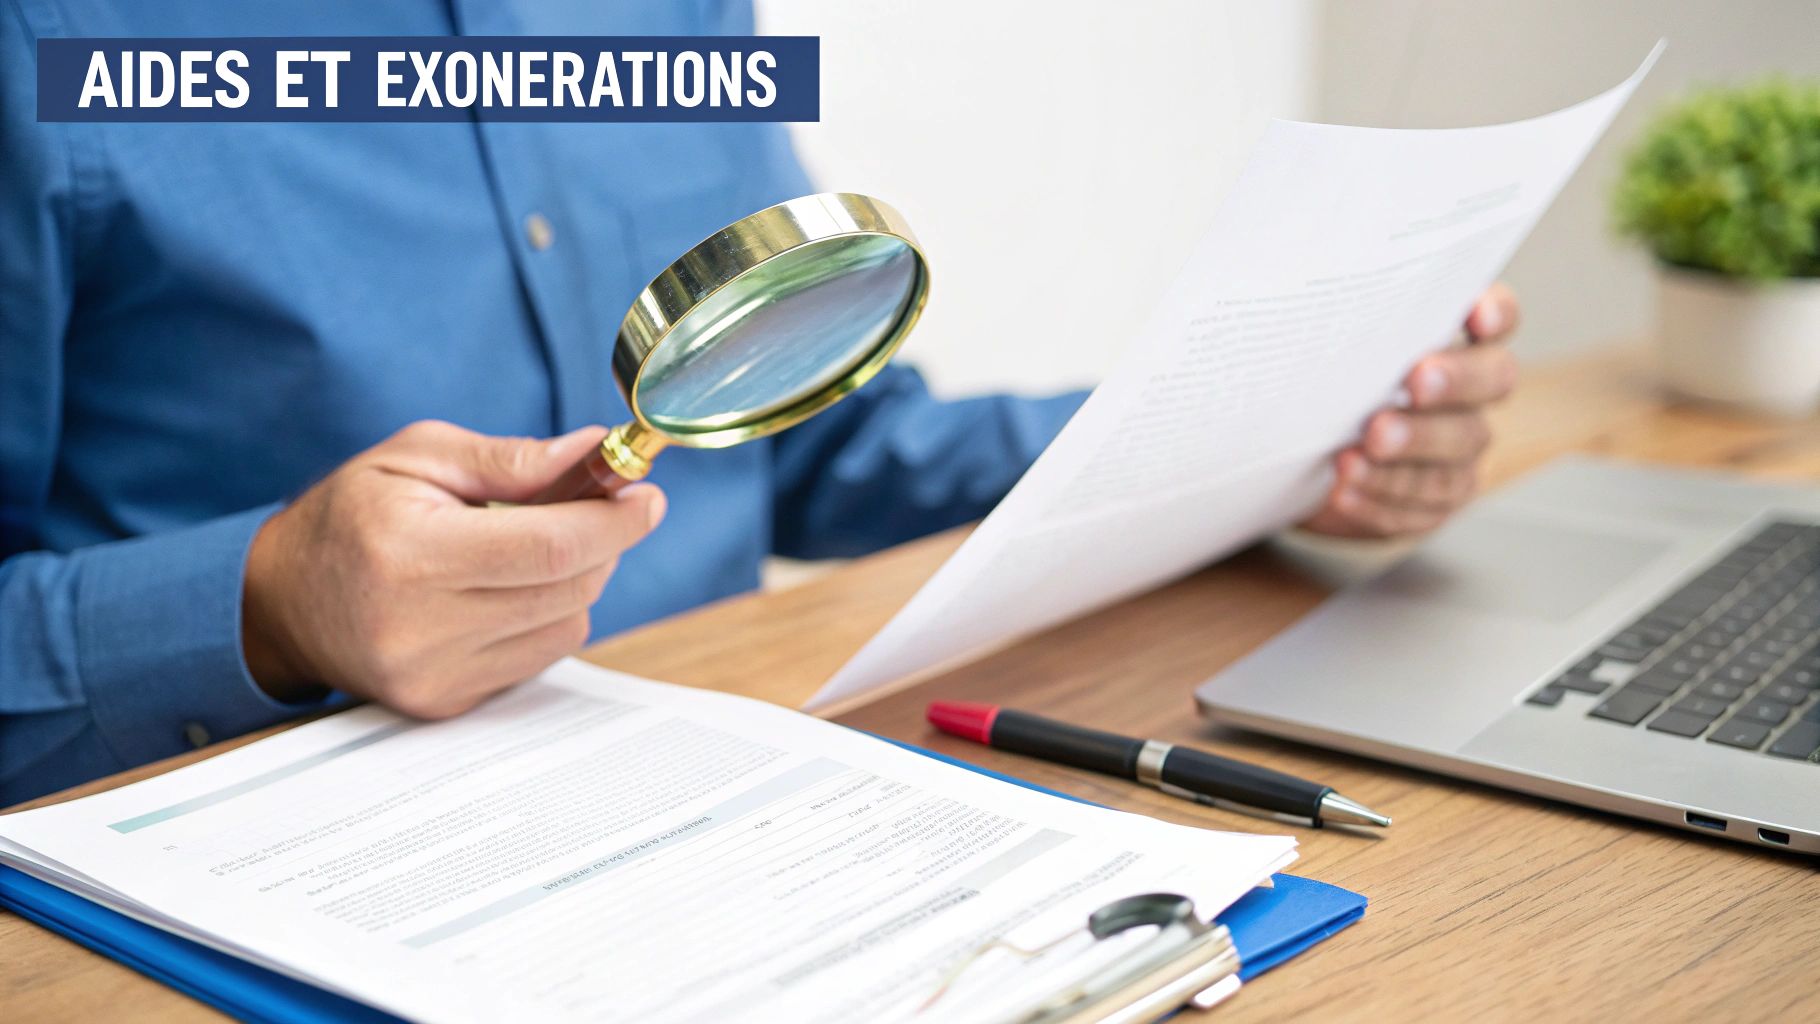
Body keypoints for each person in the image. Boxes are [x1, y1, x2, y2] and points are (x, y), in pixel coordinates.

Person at [0, 1, 1520, 805]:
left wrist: (1262, 435)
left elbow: (812, 439)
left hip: (742, 799)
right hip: (275, 869)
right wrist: (267, 605)